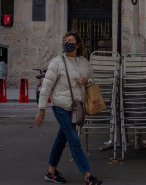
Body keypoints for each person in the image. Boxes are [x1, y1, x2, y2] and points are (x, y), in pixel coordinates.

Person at [34, 31, 102, 185]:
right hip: (61, 107)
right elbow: (46, 86)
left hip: (76, 108)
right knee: (74, 140)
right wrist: (41, 109)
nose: (67, 42)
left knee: (61, 139)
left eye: (70, 40)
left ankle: (50, 171)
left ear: (77, 44)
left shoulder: (84, 62)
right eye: (65, 40)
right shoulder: (57, 62)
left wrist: (86, 80)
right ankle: (88, 176)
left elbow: (92, 80)